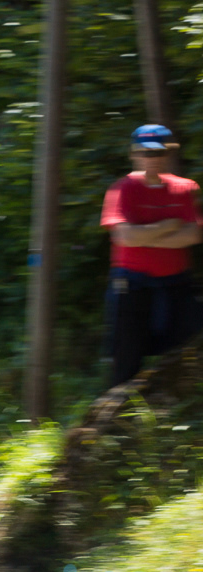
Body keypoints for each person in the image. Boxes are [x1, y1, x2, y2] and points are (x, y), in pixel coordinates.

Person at [100, 124, 203, 387]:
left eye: (158, 152)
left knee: (183, 356)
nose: (151, 158)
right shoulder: (121, 190)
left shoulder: (185, 188)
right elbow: (125, 237)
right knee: (126, 361)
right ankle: (121, 411)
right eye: (145, 152)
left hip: (177, 286)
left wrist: (144, 237)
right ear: (133, 154)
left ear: (168, 153)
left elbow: (193, 235)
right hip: (132, 286)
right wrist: (168, 225)